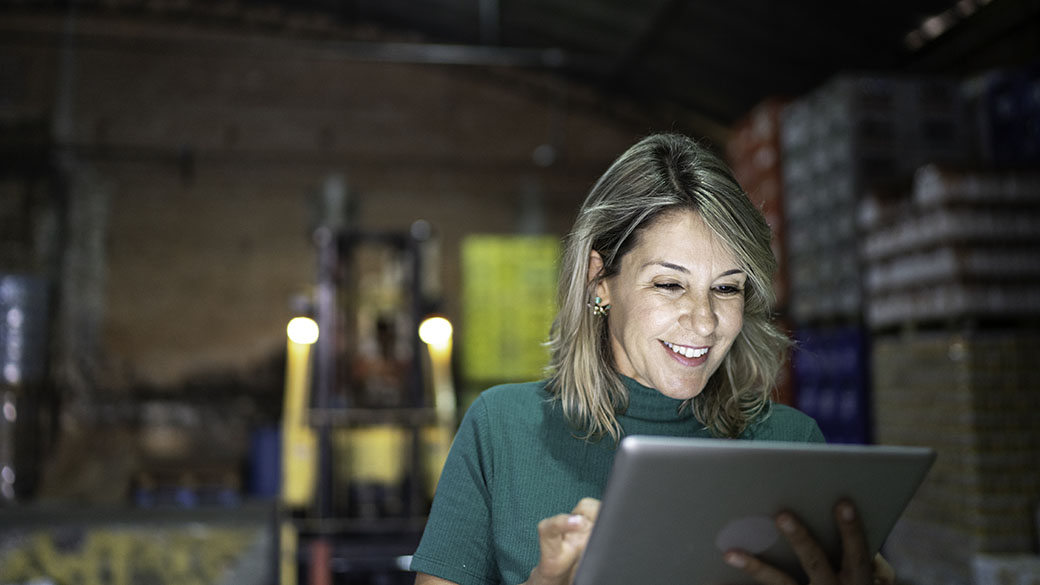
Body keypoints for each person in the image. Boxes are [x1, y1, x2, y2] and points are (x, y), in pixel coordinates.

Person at [410, 133, 894, 585]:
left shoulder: (791, 443)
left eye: (726, 288)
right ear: (600, 280)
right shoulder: (502, 430)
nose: (704, 321)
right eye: (669, 284)